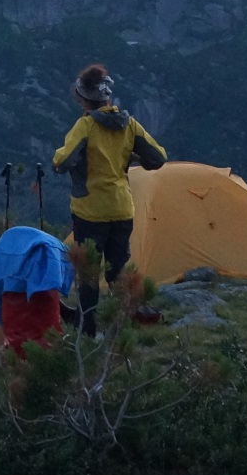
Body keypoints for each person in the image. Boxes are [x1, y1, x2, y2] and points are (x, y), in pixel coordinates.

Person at [51, 64, 167, 336]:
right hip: (122, 209)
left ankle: (87, 330)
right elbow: (158, 158)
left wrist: (73, 160)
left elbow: (62, 161)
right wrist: (131, 157)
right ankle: (122, 326)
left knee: (89, 273)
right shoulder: (129, 125)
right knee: (117, 271)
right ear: (107, 97)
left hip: (90, 211)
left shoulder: (86, 125)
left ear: (83, 99)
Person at [0, 225, 77, 356]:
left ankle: (18, 351)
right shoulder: (53, 254)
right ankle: (46, 348)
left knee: (9, 297)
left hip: (28, 253)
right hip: (42, 251)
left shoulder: (1, 257)